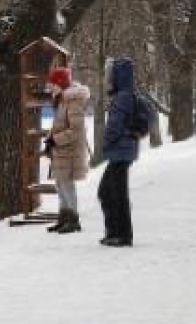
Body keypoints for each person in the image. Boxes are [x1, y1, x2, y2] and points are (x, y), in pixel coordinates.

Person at [44, 67, 90, 234]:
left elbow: (76, 130)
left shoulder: (73, 102)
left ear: (61, 83)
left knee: (67, 185)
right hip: (61, 150)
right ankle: (64, 219)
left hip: (69, 151)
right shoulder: (62, 100)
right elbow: (59, 125)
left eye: (53, 84)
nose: (50, 87)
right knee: (60, 185)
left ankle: (73, 221)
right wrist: (50, 139)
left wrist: (55, 139)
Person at [99, 57, 139, 247]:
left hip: (120, 152)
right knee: (107, 191)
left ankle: (122, 235)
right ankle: (114, 231)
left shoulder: (122, 97)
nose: (107, 79)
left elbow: (114, 126)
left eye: (110, 75)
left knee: (116, 193)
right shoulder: (124, 95)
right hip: (121, 151)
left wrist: (106, 143)